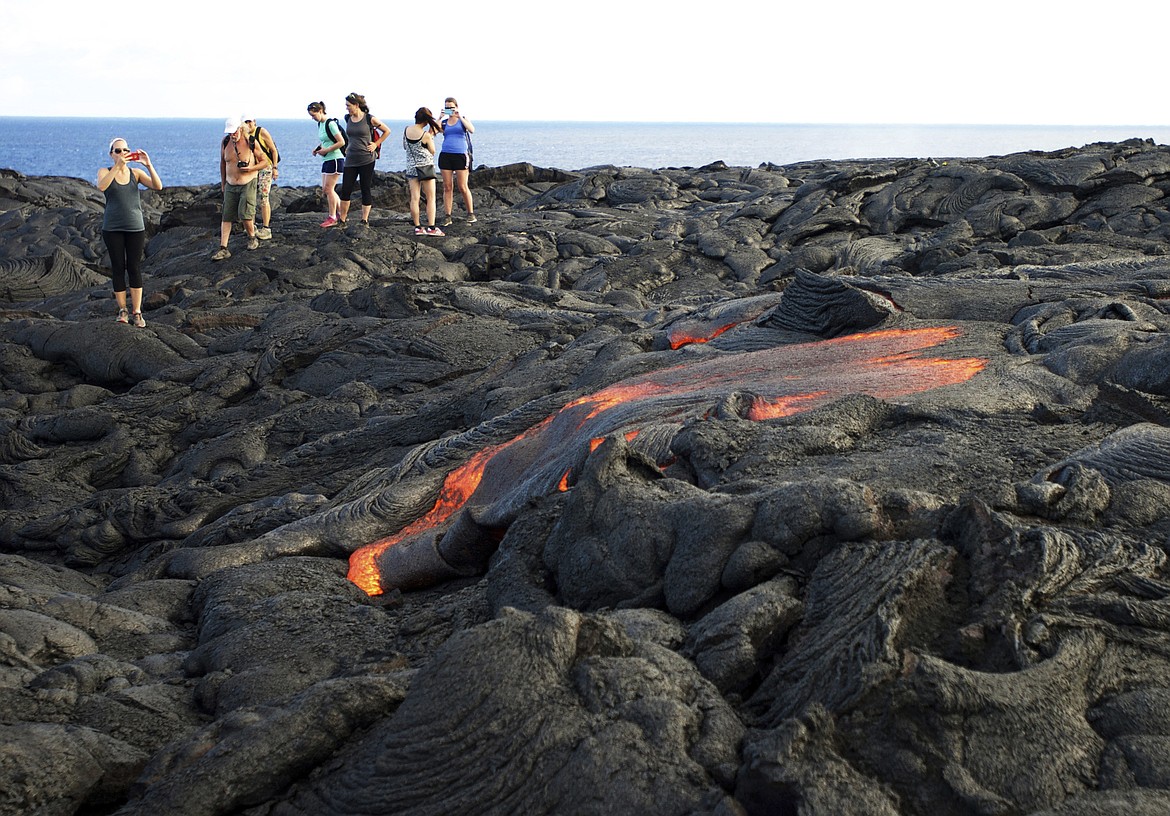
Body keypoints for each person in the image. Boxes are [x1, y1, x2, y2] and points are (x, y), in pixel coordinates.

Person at [97, 138, 162, 327]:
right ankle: (122, 310)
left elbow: (158, 186)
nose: (122, 153)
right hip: (112, 228)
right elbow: (102, 186)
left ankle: (137, 312)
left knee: (134, 267)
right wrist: (118, 166)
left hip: (135, 227)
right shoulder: (105, 172)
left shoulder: (136, 173)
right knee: (118, 268)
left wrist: (148, 165)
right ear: (111, 154)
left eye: (125, 150)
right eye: (118, 151)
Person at [214, 115, 269, 261]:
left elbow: (264, 161)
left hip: (248, 182)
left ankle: (252, 237)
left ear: (241, 128)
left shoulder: (251, 141)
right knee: (226, 216)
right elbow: (223, 163)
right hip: (231, 184)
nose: (232, 135)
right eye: (230, 133)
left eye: (234, 132)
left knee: (245, 214)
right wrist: (223, 183)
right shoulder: (225, 142)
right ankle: (223, 248)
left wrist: (252, 168)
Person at [338, 92, 391, 228]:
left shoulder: (369, 119)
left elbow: (387, 131)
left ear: (356, 105)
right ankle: (342, 220)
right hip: (350, 158)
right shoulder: (347, 118)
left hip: (366, 159)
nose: (347, 108)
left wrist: (375, 144)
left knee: (365, 187)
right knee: (346, 189)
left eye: (348, 105)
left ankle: (364, 220)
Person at [403, 107, 443, 236]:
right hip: (426, 167)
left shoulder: (406, 130)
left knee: (414, 198)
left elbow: (405, 146)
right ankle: (431, 228)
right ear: (426, 120)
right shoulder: (425, 135)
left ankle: (418, 227)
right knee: (430, 197)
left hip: (411, 167)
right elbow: (433, 150)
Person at [438, 96, 476, 226]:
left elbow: (471, 129)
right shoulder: (444, 122)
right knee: (447, 187)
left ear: (457, 107)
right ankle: (447, 216)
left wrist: (459, 117)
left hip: (460, 155)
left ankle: (470, 213)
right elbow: (435, 131)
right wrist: (440, 117)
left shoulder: (462, 119)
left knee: (462, 186)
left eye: (451, 107)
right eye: (447, 107)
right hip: (446, 155)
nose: (449, 110)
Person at [308, 101, 345, 228]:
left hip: (335, 159)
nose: (313, 118)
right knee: (326, 189)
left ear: (320, 111)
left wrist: (327, 150)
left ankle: (332, 217)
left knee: (329, 189)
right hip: (326, 159)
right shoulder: (320, 124)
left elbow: (341, 142)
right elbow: (326, 141)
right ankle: (341, 214)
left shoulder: (331, 124)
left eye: (313, 115)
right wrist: (318, 148)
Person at [244, 117, 279, 239]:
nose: (248, 124)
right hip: (253, 169)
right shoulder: (243, 134)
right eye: (245, 122)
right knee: (251, 198)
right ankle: (251, 226)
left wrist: (275, 168)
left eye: (249, 121)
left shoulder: (261, 132)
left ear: (254, 121)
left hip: (265, 168)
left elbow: (273, 150)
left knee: (264, 198)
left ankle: (266, 228)